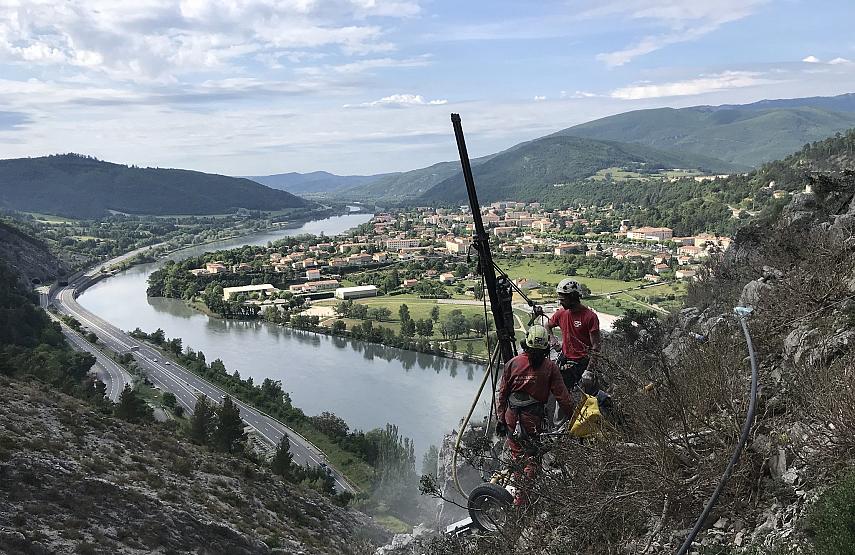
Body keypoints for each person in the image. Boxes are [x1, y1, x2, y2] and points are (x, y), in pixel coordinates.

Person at [495, 325, 574, 505]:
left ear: (526, 345)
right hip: (532, 419)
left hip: (512, 418)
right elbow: (563, 397)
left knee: (518, 456)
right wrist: (573, 417)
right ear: (546, 348)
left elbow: (502, 394)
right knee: (532, 459)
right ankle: (521, 500)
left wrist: (500, 419)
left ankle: (518, 494)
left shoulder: (513, 364)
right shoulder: (550, 368)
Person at [546, 278, 602, 418]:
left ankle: (586, 426)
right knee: (562, 398)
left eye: (563, 299)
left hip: (583, 362)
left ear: (573, 297)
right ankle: (561, 426)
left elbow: (596, 346)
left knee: (588, 399)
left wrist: (589, 370)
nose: (560, 302)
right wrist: (553, 339)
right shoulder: (561, 314)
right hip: (567, 361)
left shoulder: (589, 317)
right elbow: (548, 326)